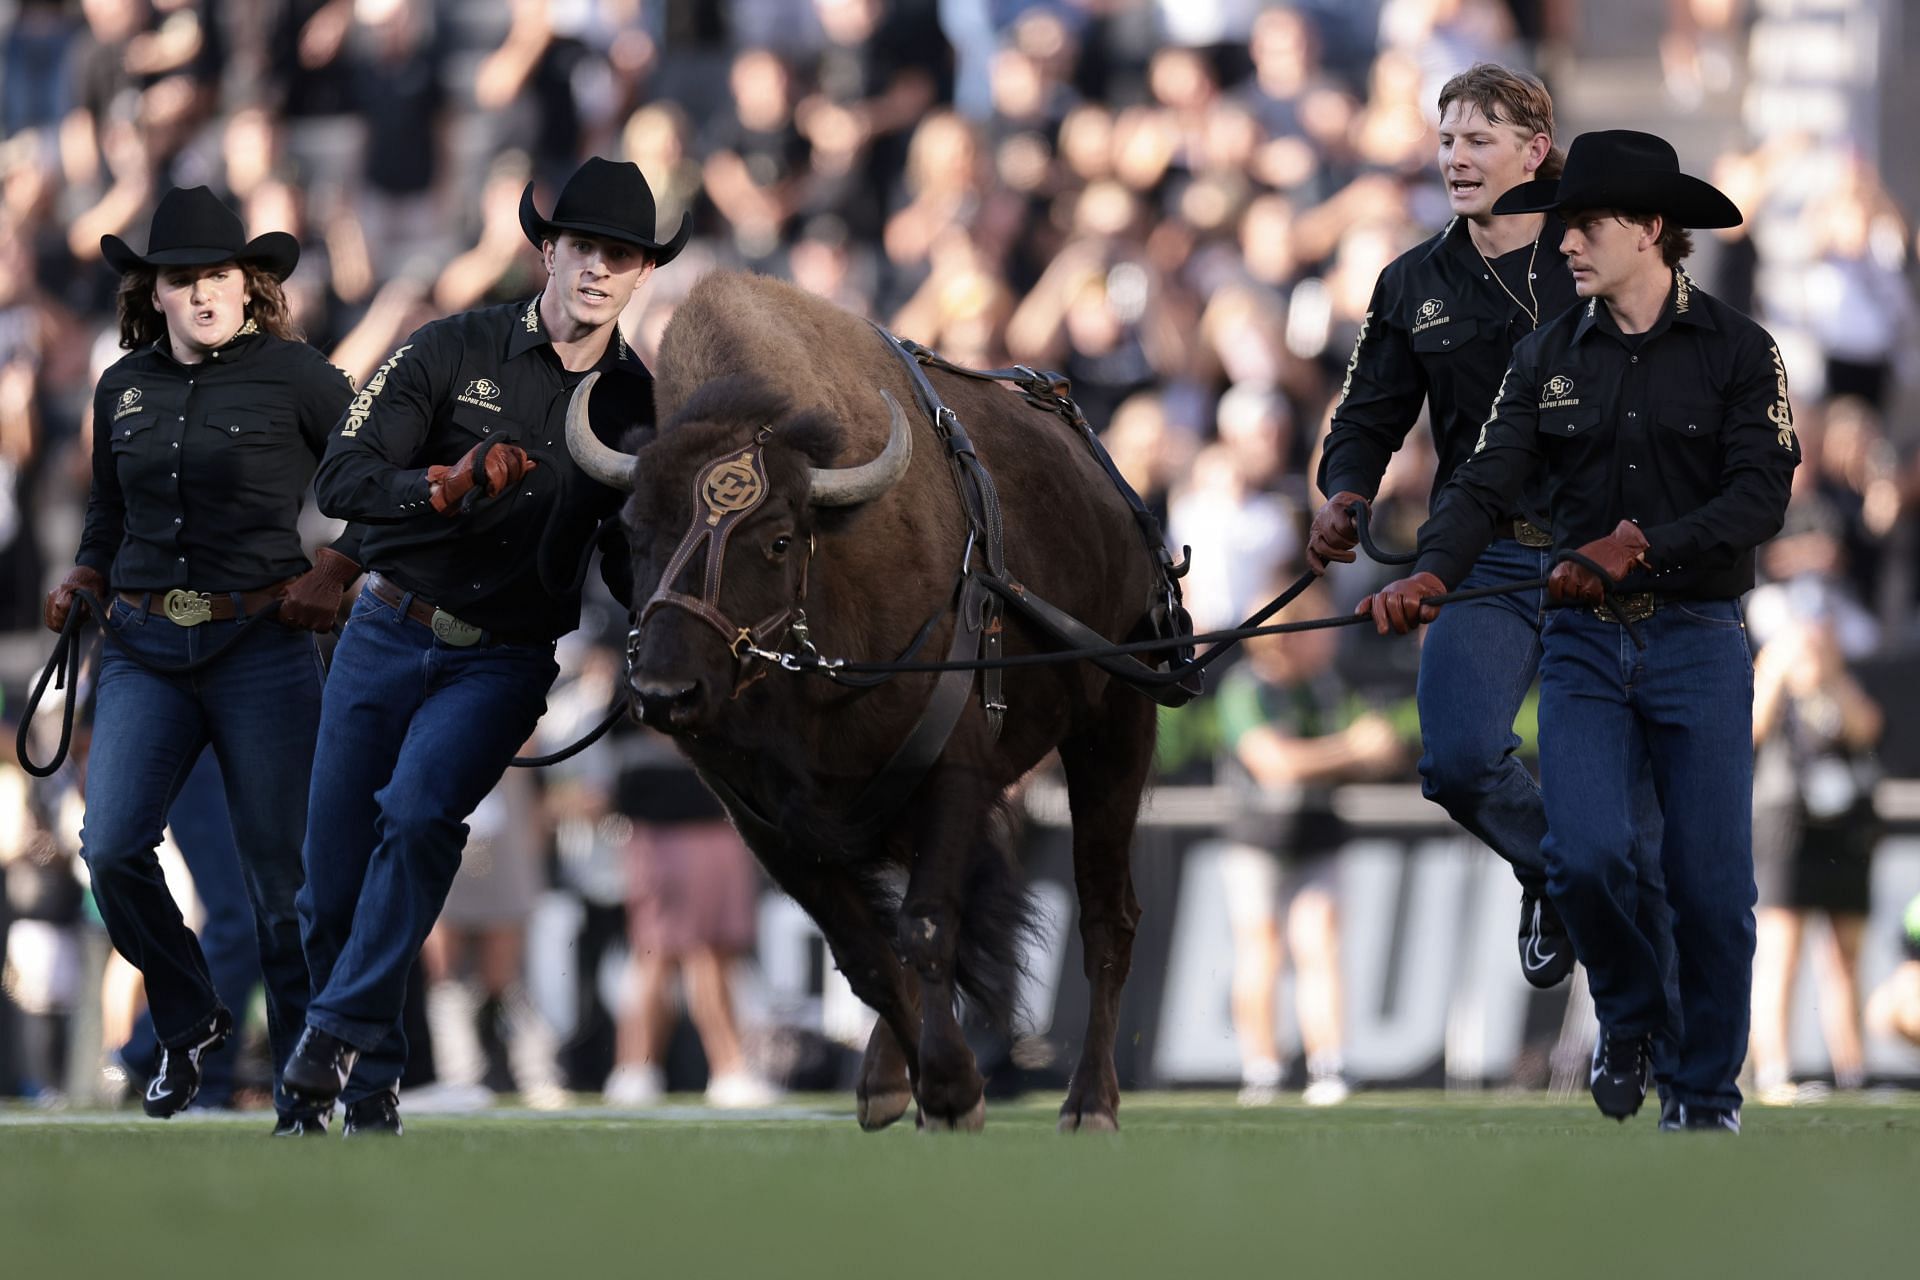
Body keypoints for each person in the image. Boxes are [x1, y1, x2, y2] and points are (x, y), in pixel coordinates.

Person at [1362, 130, 1801, 1131]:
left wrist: (1640, 545)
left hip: (1697, 637)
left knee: (1711, 885)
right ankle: (1634, 1013)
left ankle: (1703, 1094)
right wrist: (1433, 570)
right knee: (1589, 853)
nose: (1563, 243)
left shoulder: (1741, 351)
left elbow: (1759, 499)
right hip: (1586, 648)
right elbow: (1484, 481)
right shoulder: (1545, 355)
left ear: (1651, 229)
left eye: (1585, 224)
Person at [284, 157, 682, 1136]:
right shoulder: (451, 346)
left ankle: (326, 1042)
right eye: (583, 246)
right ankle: (370, 1077)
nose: (597, 269)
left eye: (620, 256)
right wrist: (444, 486)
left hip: (502, 658)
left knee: (419, 817)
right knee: (328, 886)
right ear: (546, 249)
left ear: (641, 275)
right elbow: (341, 474)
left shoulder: (644, 408)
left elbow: (634, 567)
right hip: (384, 627)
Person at [1308, 63, 1666, 995]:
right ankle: (1552, 875)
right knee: (1459, 757)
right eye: (1445, 141)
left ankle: (1652, 1039)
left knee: (1637, 801)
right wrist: (1344, 492)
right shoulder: (1411, 281)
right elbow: (1365, 417)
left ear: (1534, 151)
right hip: (1487, 548)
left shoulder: (1593, 253)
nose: (1455, 159)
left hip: (1607, 549)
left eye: (1476, 140)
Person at [42, 185, 358, 1134]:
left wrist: (337, 571)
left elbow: (372, 480)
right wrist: (87, 570)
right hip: (140, 642)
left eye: (219, 274)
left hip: (262, 642)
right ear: (157, 294)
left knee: (278, 883)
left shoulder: (301, 376)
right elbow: (108, 508)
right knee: (111, 848)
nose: (206, 292)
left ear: (249, 284)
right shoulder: (120, 387)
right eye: (185, 279)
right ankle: (187, 1017)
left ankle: (305, 1089)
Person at [1213, 583, 1404, 1107]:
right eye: (1316, 629)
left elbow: (1380, 748)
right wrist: (1350, 749)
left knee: (1319, 945)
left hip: (1319, 833)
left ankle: (1329, 1066)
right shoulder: (1245, 689)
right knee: (1262, 949)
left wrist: (1365, 748)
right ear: (1287, 638)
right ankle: (1263, 1070)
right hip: (1257, 841)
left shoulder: (1327, 685)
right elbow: (1274, 762)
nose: (1330, 640)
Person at [1748, 596, 1883, 1102]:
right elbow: (1751, 730)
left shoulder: (1842, 683)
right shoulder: (1773, 680)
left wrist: (1829, 672)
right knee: (1781, 952)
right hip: (1788, 826)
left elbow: (1866, 727)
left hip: (1844, 830)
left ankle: (1854, 1072)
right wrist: (1781, 667)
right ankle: (1773, 1072)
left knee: (1844, 957)